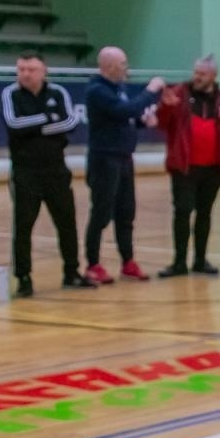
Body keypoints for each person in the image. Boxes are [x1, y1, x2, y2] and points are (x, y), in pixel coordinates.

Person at [1, 52, 96, 296]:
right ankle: (24, 278)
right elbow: (13, 124)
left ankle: (72, 272)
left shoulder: (58, 92)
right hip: (25, 172)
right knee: (23, 226)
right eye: (21, 69)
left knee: (67, 222)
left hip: (56, 169)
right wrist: (47, 119)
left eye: (31, 69)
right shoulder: (10, 94)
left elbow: (71, 123)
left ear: (44, 71)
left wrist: (35, 125)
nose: (25, 74)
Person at [83, 45, 165, 283]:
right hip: (104, 159)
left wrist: (142, 122)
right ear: (108, 66)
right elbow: (123, 111)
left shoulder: (119, 89)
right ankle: (93, 264)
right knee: (101, 213)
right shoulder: (97, 90)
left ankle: (127, 261)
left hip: (124, 158)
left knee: (126, 212)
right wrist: (150, 92)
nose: (126, 69)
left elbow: (125, 117)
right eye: (123, 64)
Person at [154, 56, 220, 277]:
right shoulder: (178, 94)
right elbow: (161, 124)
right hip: (184, 167)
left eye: (202, 73)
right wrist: (166, 107)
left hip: (213, 168)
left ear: (213, 75)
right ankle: (179, 263)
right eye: (196, 72)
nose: (197, 77)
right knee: (182, 212)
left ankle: (201, 261)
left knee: (205, 213)